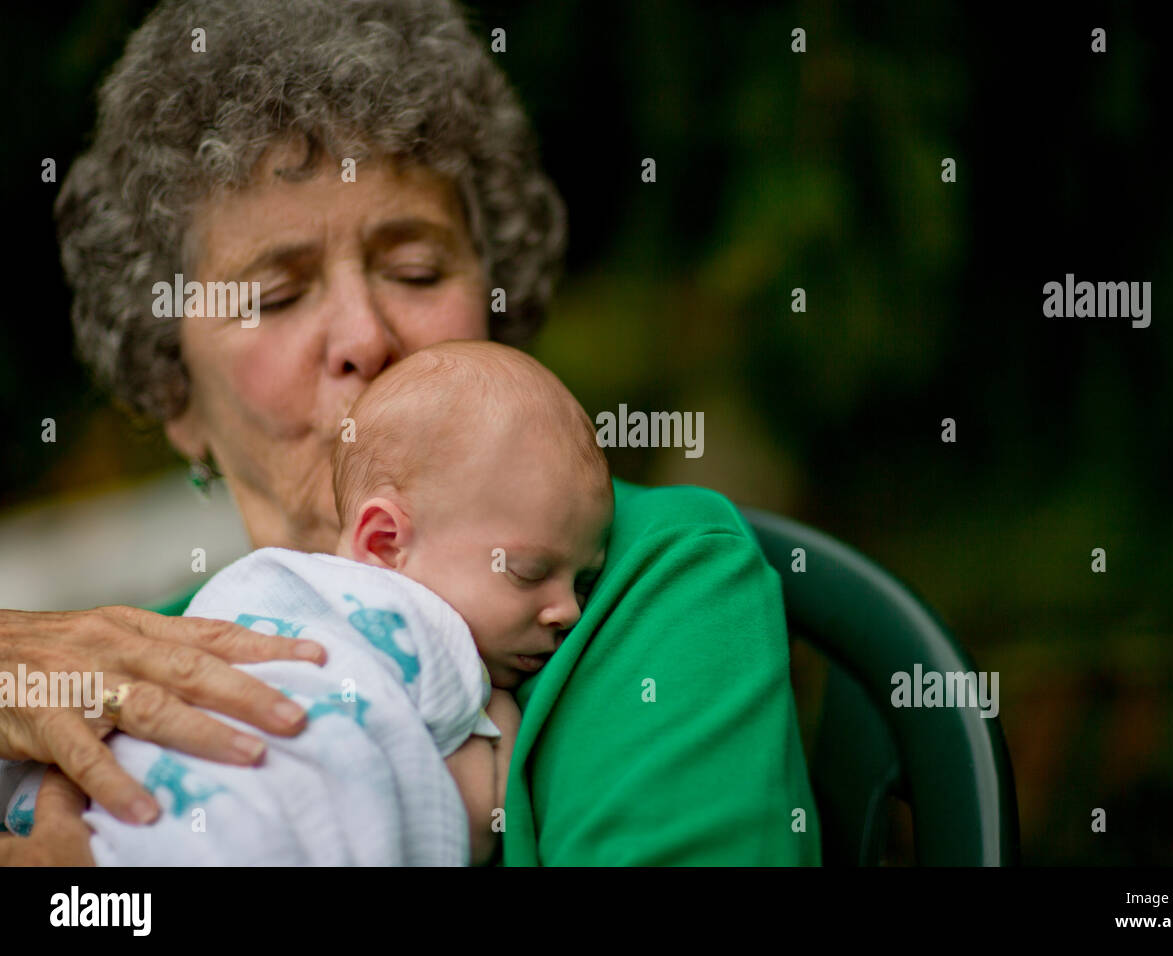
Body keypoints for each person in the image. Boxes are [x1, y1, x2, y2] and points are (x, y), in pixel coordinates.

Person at [0, 0, 819, 865]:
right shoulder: (132, 661)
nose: (364, 336)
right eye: (275, 295)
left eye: (415, 269)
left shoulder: (644, 588)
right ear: (175, 391)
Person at [6, 341, 606, 865]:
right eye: (529, 573)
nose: (570, 612)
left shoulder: (244, 591)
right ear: (386, 542)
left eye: (583, 583)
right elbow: (477, 822)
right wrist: (495, 708)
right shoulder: (426, 634)